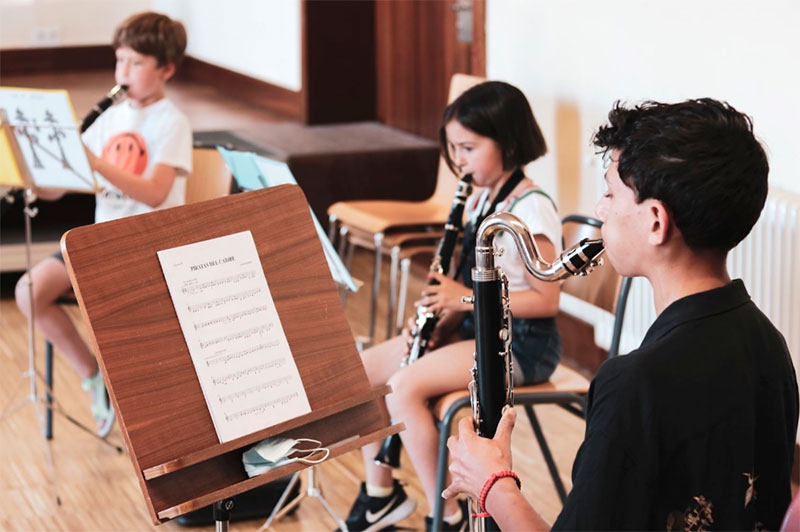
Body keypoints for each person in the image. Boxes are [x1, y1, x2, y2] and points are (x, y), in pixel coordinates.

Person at [443, 98, 799, 531]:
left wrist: (490, 483)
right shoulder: (769, 342)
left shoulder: (634, 383)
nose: (600, 209)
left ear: (655, 222)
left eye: (610, 192)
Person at [339, 81, 563, 532]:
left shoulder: (531, 208)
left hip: (521, 346)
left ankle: (449, 517)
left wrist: (459, 298)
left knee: (403, 388)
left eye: (468, 147)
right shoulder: (480, 195)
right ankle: (381, 496)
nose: (458, 160)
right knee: (359, 373)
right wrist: (442, 315)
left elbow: (546, 299)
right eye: (453, 148)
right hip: (475, 331)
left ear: (509, 142)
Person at [15, 11, 192, 438]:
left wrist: (96, 162)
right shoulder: (109, 118)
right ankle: (92, 375)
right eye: (119, 61)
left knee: (120, 324)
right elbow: (65, 187)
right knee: (29, 291)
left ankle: (151, 410)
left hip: (147, 248)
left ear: (165, 69)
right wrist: (35, 168)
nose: (123, 72)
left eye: (135, 63)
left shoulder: (173, 123)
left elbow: (152, 192)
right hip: (98, 243)